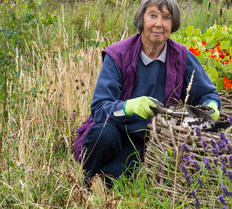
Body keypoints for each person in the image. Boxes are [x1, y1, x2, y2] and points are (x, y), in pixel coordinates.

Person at [74, 0, 221, 187]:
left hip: (145, 141)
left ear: (172, 24)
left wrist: (212, 107)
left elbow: (208, 94)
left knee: (112, 177)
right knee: (104, 134)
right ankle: (85, 183)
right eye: (153, 15)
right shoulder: (118, 54)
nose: (159, 23)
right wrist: (129, 106)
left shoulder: (182, 57)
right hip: (114, 129)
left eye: (166, 17)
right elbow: (99, 108)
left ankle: (103, 184)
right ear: (142, 19)